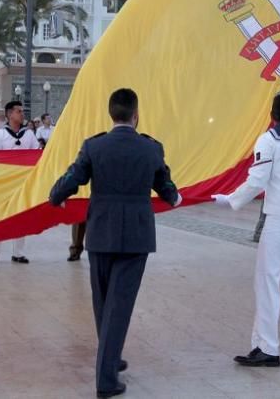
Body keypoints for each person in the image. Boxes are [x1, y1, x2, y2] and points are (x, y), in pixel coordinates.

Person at [49, 88, 181, 398]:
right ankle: (107, 378)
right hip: (136, 235)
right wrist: (176, 197)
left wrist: (55, 196)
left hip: (101, 232)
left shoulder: (95, 146)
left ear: (112, 114)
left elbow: (73, 178)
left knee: (104, 301)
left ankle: (111, 358)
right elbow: (166, 187)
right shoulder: (151, 148)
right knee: (119, 305)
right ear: (136, 115)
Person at [211, 93, 280, 366]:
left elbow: (258, 180)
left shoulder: (269, 140)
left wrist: (232, 200)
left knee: (267, 279)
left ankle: (267, 347)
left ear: (271, 114)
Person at [0, 101, 38, 264]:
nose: (22, 114)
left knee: (21, 216)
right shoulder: (0, 135)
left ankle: (18, 253)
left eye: (22, 111)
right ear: (9, 115)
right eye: (18, 111)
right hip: (4, 182)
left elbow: (36, 154)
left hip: (23, 182)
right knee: (0, 216)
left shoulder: (29, 135)